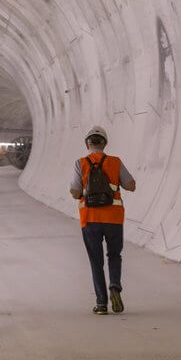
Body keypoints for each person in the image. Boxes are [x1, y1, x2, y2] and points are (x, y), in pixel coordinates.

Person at [69, 126, 136, 315]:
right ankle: (114, 286)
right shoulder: (115, 162)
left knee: (95, 261)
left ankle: (101, 304)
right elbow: (131, 185)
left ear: (87, 144)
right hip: (114, 218)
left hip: (89, 219)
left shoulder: (80, 163)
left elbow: (75, 193)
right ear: (105, 143)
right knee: (114, 256)